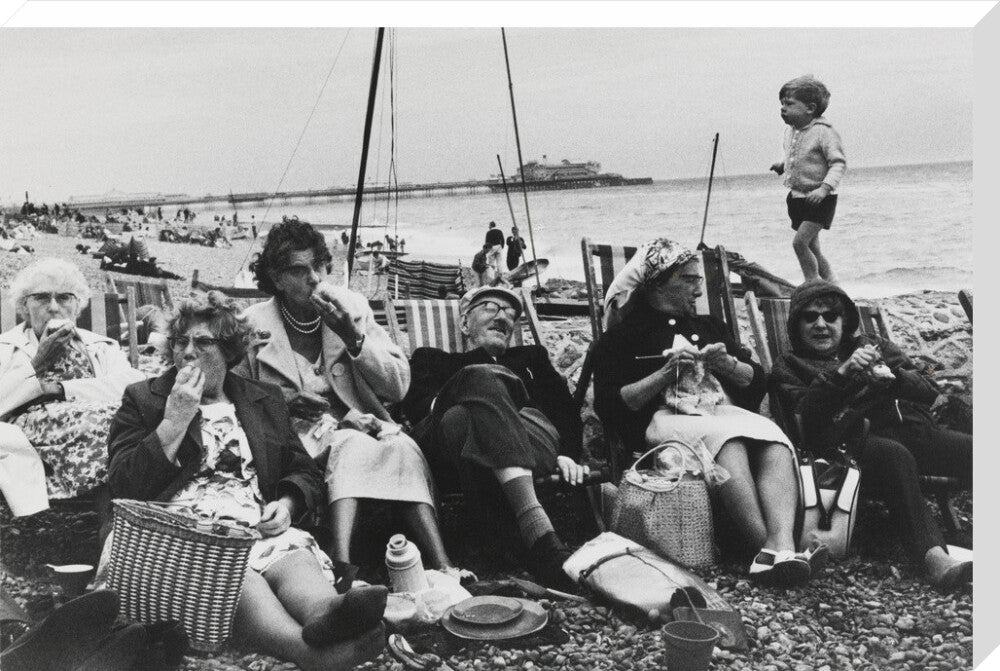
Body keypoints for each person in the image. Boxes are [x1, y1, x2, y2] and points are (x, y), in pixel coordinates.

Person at [106, 293, 386, 671]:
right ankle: (309, 652)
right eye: (180, 341)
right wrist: (174, 421)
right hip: (180, 532)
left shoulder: (262, 398)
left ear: (228, 351)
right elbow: (124, 485)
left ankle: (326, 612)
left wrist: (286, 505)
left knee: (293, 557)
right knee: (234, 568)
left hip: (253, 521)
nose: (187, 352)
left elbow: (303, 470)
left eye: (203, 342)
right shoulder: (144, 398)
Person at [236, 220, 471, 581]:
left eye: (319, 266)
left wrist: (353, 337)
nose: (314, 278)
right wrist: (284, 401)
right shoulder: (253, 325)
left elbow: (398, 387)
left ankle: (442, 564)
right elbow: (236, 396)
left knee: (401, 445)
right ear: (277, 278)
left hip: (362, 425)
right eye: (299, 270)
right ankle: (341, 564)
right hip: (294, 440)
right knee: (350, 444)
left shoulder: (351, 309)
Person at [592, 238, 821, 587]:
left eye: (699, 279)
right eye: (689, 280)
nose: (699, 289)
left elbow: (757, 383)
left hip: (717, 413)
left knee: (773, 438)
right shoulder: (622, 337)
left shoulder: (710, 327)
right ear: (658, 284)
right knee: (728, 442)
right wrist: (664, 375)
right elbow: (610, 405)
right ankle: (763, 548)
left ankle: (782, 547)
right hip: (663, 421)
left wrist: (728, 364)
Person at [769, 279, 972, 589]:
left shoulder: (874, 345)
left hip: (911, 430)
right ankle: (933, 558)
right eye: (810, 317)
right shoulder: (790, 365)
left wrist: (893, 378)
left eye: (830, 316)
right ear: (796, 325)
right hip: (851, 444)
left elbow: (928, 387)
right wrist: (842, 375)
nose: (820, 325)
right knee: (894, 456)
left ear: (844, 321)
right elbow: (804, 419)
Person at [401, 286, 589, 591]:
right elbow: (419, 408)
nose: (503, 316)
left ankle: (497, 543)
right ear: (465, 323)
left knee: (466, 410)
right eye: (491, 307)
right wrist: (475, 386)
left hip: (532, 436)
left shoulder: (532, 357)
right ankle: (539, 537)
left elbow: (564, 410)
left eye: (511, 313)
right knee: (470, 395)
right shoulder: (430, 359)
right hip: (447, 441)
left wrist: (568, 452)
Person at [0, 259, 145, 504]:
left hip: (96, 427)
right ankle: (113, 514)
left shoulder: (100, 345)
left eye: (64, 298)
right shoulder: (5, 348)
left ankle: (117, 516)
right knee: (109, 426)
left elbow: (135, 386)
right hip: (29, 438)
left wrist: (60, 389)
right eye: (42, 298)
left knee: (126, 422)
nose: (53, 307)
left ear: (77, 306)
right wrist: (38, 363)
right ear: (25, 305)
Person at [769, 75, 846, 283]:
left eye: (789, 104)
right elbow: (795, 155)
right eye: (781, 104)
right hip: (797, 198)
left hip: (820, 199)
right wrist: (783, 165)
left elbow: (837, 164)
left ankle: (812, 281)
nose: (783, 108)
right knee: (813, 246)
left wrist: (823, 189)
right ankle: (831, 282)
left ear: (810, 108)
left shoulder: (823, 132)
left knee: (799, 243)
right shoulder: (790, 131)